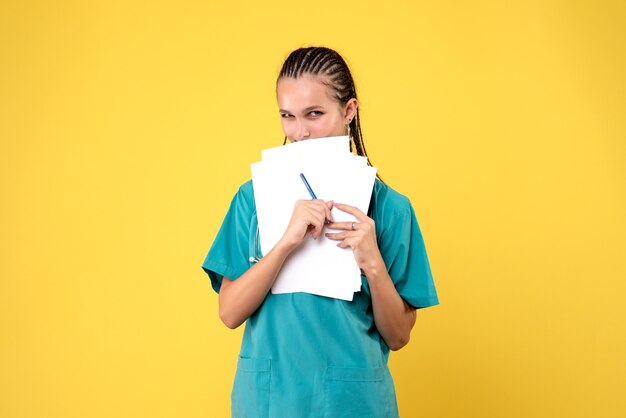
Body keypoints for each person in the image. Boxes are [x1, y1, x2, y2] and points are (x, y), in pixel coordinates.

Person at [202, 46, 439, 418]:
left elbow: (399, 335)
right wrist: (284, 245)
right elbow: (229, 313)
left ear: (348, 110)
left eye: (314, 114)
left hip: (353, 403)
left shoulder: (391, 209)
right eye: (287, 116)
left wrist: (373, 262)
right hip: (268, 402)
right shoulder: (251, 199)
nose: (300, 133)